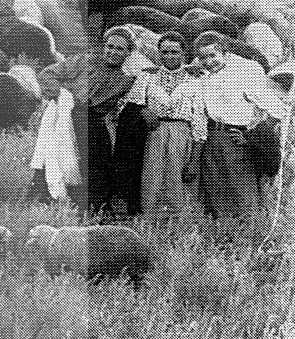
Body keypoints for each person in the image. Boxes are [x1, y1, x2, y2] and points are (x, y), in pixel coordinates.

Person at [189, 31, 292, 221]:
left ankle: (249, 227)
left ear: (224, 53)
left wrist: (252, 136)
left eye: (213, 55)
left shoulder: (243, 74)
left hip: (235, 137)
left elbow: (278, 110)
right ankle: (223, 228)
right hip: (212, 138)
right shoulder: (203, 79)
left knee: (241, 185)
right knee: (216, 185)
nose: (209, 61)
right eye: (203, 57)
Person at [40, 29, 140, 217]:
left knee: (98, 157)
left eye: (120, 49)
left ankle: (95, 207)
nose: (113, 52)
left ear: (129, 53)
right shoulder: (84, 61)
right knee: (60, 156)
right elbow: (48, 73)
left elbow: (151, 76)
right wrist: (61, 95)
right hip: (66, 112)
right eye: (110, 46)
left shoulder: (127, 78)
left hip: (92, 119)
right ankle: (58, 201)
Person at [132, 32, 208, 219]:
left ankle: (180, 226)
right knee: (153, 177)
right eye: (164, 52)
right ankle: (151, 222)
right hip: (154, 133)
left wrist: (195, 158)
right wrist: (143, 111)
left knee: (178, 177)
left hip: (182, 133)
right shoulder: (147, 77)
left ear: (183, 53)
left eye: (175, 52)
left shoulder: (196, 79)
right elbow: (131, 103)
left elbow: (199, 119)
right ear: (158, 53)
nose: (169, 56)